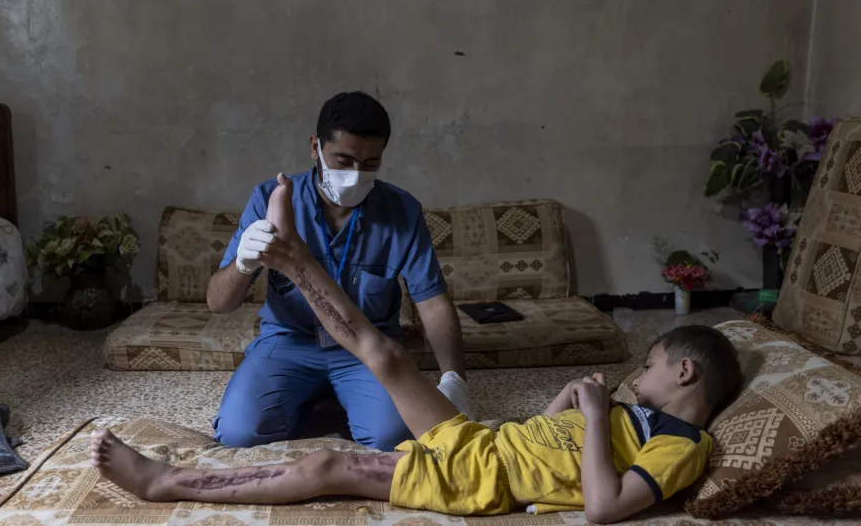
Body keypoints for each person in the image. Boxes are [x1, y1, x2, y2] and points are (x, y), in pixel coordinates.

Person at [90, 174, 744, 524]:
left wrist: (600, 416)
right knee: (386, 354)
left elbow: (602, 505)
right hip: (489, 442)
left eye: (650, 367)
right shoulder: (640, 420)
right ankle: (289, 259)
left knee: (330, 464)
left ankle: (164, 481)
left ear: (685, 371)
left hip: (480, 477)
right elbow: (552, 449)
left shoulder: (685, 444)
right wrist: (569, 404)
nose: (641, 375)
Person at [207, 91, 471, 451]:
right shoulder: (271, 198)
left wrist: (454, 378)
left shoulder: (402, 210)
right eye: (343, 160)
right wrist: (243, 262)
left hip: (369, 346)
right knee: (239, 434)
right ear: (315, 147)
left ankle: (342, 405)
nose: (355, 175)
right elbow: (218, 303)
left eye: (370, 164)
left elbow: (433, 301)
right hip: (288, 340)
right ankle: (330, 409)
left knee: (392, 438)